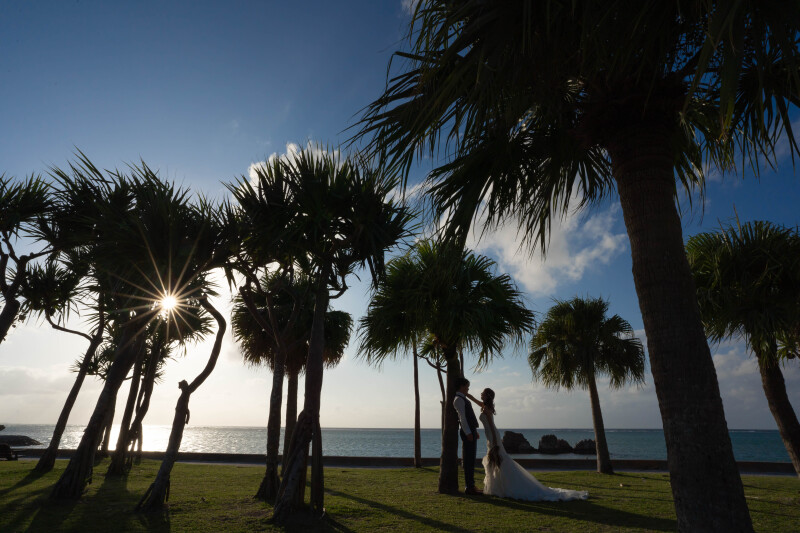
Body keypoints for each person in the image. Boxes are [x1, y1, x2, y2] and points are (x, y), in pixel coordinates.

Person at [468, 388, 589, 501]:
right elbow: (476, 401)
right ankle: (498, 487)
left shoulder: (486, 410)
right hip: (491, 438)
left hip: (493, 438)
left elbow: (492, 429)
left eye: (483, 393)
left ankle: (506, 487)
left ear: (487, 396)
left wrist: (495, 444)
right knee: (497, 462)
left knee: (501, 461)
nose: (481, 394)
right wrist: (467, 395)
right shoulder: (485, 407)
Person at [453, 377, 482, 495]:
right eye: (467, 386)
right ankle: (469, 487)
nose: (468, 388)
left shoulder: (463, 398)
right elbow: (462, 418)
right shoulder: (458, 399)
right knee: (469, 460)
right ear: (462, 386)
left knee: (471, 459)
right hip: (468, 432)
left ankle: (471, 485)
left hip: (471, 430)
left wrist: (474, 431)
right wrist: (468, 432)